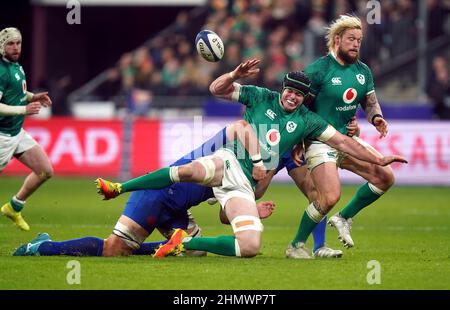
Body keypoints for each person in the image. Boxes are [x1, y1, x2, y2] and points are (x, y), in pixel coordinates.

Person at [95, 59, 407, 259]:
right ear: (282, 88)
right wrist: (233, 74)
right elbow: (216, 90)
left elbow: (341, 141)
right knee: (187, 169)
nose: (292, 96)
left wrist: (377, 160)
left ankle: (183, 242)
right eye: (289, 90)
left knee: (250, 247)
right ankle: (120, 187)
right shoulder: (260, 96)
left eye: (299, 94)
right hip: (228, 163)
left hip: (242, 187)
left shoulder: (308, 121)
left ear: (303, 98)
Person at [12, 121, 275, 257]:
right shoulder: (223, 151)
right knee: (113, 249)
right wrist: (121, 187)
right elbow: (237, 126)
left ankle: (170, 244)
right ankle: (42, 247)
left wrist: (251, 209)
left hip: (177, 206)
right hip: (157, 195)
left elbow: (222, 214)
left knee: (196, 249)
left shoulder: (236, 173)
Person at [290, 14, 401, 251]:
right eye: (351, 39)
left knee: (385, 177)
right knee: (329, 197)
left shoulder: (363, 71)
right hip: (320, 141)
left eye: (359, 40)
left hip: (347, 141)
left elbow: (369, 102)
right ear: (337, 40)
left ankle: (343, 217)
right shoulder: (318, 70)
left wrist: (377, 118)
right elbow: (300, 108)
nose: (356, 44)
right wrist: (299, 141)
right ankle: (296, 245)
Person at [0, 27, 53, 231]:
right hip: (2, 136)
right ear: (2, 46)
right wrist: (24, 108)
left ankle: (14, 207)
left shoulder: (16, 67)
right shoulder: (1, 71)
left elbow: (16, 91)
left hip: (16, 133)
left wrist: (32, 96)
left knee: (45, 170)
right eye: (10, 43)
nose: (15, 47)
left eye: (18, 43)